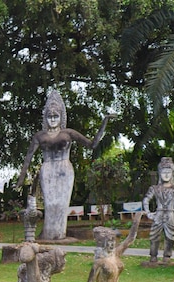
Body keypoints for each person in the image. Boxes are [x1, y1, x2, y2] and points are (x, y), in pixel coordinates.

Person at [15, 91, 114, 241]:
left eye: (56, 116)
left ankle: (59, 234)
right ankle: (48, 234)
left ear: (61, 117)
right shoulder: (40, 136)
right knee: (50, 204)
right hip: (47, 170)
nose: (53, 119)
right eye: (50, 116)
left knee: (61, 207)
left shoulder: (68, 133)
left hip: (65, 170)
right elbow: (28, 158)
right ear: (45, 118)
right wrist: (20, 180)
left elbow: (92, 144)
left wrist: (104, 122)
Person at [82, 212, 144, 282]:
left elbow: (130, 239)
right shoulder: (99, 262)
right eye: (108, 243)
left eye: (113, 242)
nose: (111, 245)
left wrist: (137, 218)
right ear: (102, 244)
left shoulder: (115, 253)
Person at [143, 157, 174, 263]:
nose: (166, 175)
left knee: (171, 237)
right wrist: (148, 213)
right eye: (164, 172)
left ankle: (167, 256)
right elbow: (146, 200)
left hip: (170, 214)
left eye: (169, 172)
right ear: (160, 173)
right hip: (158, 214)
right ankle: (153, 256)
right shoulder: (154, 188)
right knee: (154, 236)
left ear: (172, 173)